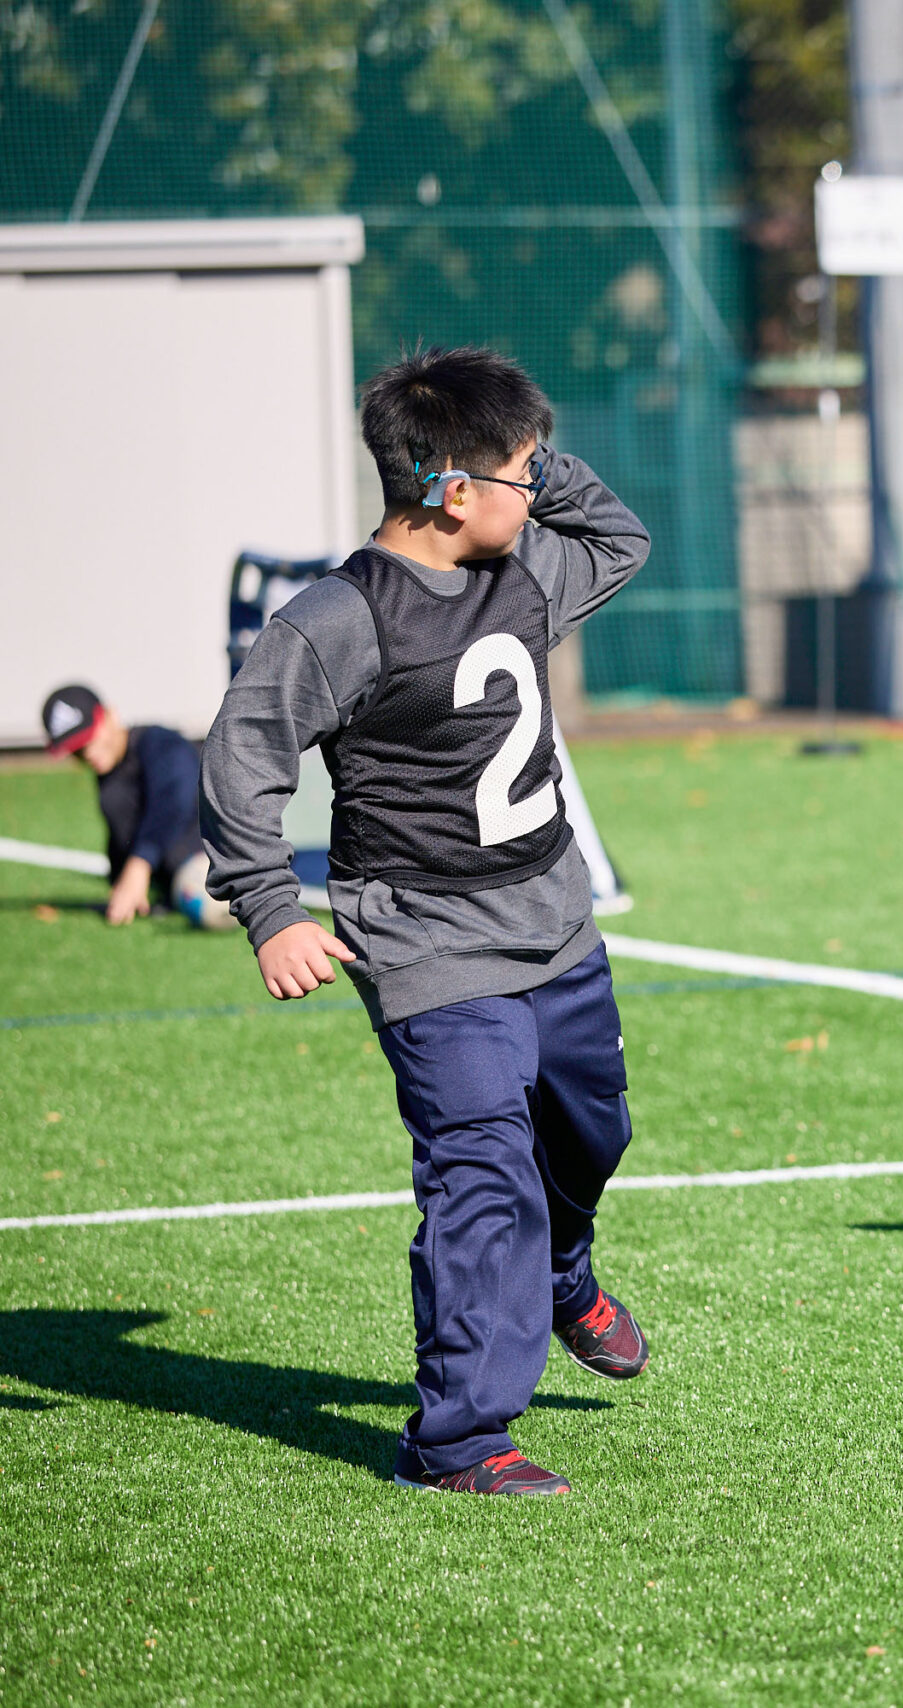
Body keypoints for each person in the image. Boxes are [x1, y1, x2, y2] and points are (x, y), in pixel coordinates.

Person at [202, 346, 657, 1494]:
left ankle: (561, 1273)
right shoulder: (336, 620)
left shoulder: (530, 568)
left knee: (588, 1136)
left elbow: (621, 537)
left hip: (553, 925)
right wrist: (270, 911)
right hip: (424, 940)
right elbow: (241, 756)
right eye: (520, 469)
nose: (540, 483)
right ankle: (457, 1437)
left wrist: (533, 467)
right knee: (482, 1168)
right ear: (454, 491)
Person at [39, 684, 232, 929]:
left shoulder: (160, 744)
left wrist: (140, 863)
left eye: (89, 739)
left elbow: (175, 801)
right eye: (76, 750)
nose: (86, 753)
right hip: (176, 891)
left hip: (224, 860)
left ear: (111, 716)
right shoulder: (110, 785)